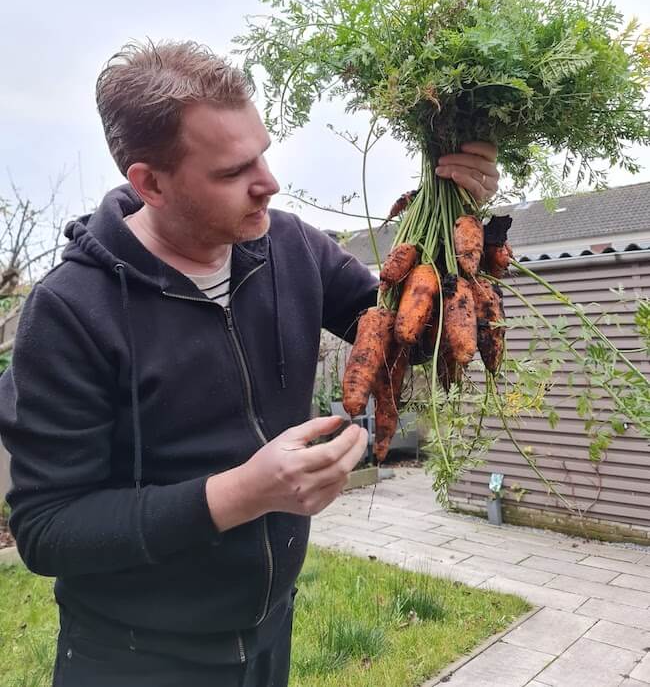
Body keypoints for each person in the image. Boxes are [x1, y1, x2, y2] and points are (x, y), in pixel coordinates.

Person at [0, 40, 499, 687]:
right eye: (234, 171)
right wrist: (239, 495)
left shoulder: (291, 247)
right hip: (135, 658)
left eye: (262, 152)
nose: (269, 181)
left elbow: (418, 336)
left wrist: (466, 218)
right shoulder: (71, 312)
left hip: (269, 636)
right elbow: (48, 530)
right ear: (150, 183)